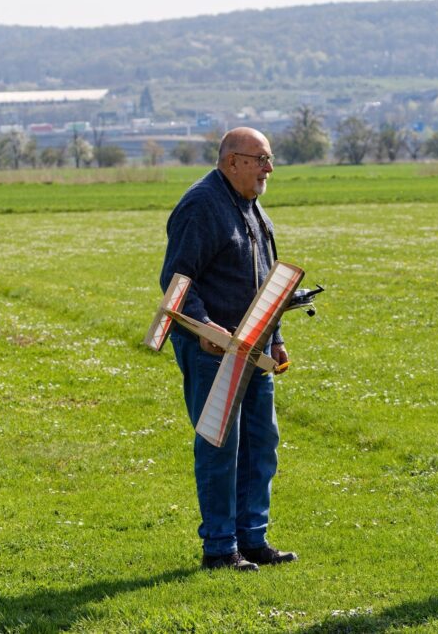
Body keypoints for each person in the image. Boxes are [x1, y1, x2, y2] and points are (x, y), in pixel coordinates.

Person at [160, 127, 296, 572]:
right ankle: (220, 548)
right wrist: (203, 325)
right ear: (232, 161)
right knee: (220, 447)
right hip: (213, 352)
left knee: (261, 444)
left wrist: (276, 337)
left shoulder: (251, 204)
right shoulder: (202, 205)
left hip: (254, 347)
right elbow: (176, 279)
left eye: (269, 159)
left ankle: (252, 539)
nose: (268, 169)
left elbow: (264, 278)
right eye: (261, 159)